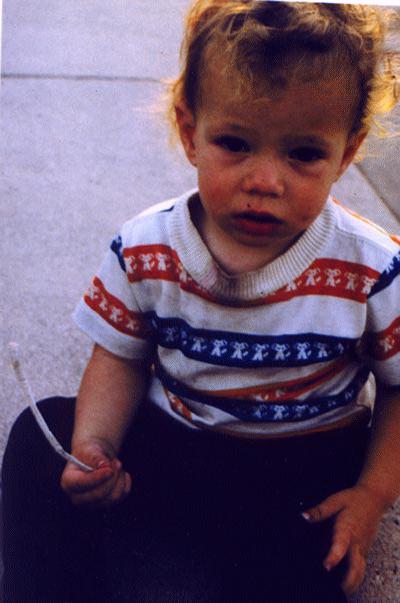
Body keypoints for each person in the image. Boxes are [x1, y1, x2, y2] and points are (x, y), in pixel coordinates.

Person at [2, 2, 400, 601]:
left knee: (305, 571)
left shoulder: (369, 265)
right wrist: (96, 445)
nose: (265, 180)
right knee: (41, 437)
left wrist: (371, 495)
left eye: (304, 154)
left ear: (346, 153)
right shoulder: (146, 248)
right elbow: (120, 356)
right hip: (178, 444)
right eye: (235, 143)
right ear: (191, 132)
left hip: (304, 473)